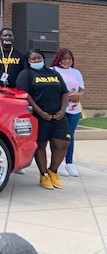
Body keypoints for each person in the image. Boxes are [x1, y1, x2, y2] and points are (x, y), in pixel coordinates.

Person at [16, 49, 70, 190]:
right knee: (40, 145)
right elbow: (26, 95)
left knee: (63, 143)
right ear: (28, 61)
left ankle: (53, 171)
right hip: (38, 116)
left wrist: (62, 110)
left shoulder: (53, 73)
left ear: (43, 58)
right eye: (32, 59)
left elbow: (64, 92)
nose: (36, 60)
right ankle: (44, 174)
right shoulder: (26, 74)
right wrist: (40, 112)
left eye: (38, 58)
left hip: (58, 115)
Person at [51, 48, 85, 177]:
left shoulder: (76, 72)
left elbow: (81, 90)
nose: (66, 61)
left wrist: (78, 95)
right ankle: (57, 164)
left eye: (69, 59)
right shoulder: (53, 71)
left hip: (74, 109)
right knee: (58, 137)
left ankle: (69, 163)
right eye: (64, 58)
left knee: (70, 136)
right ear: (58, 59)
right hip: (61, 109)